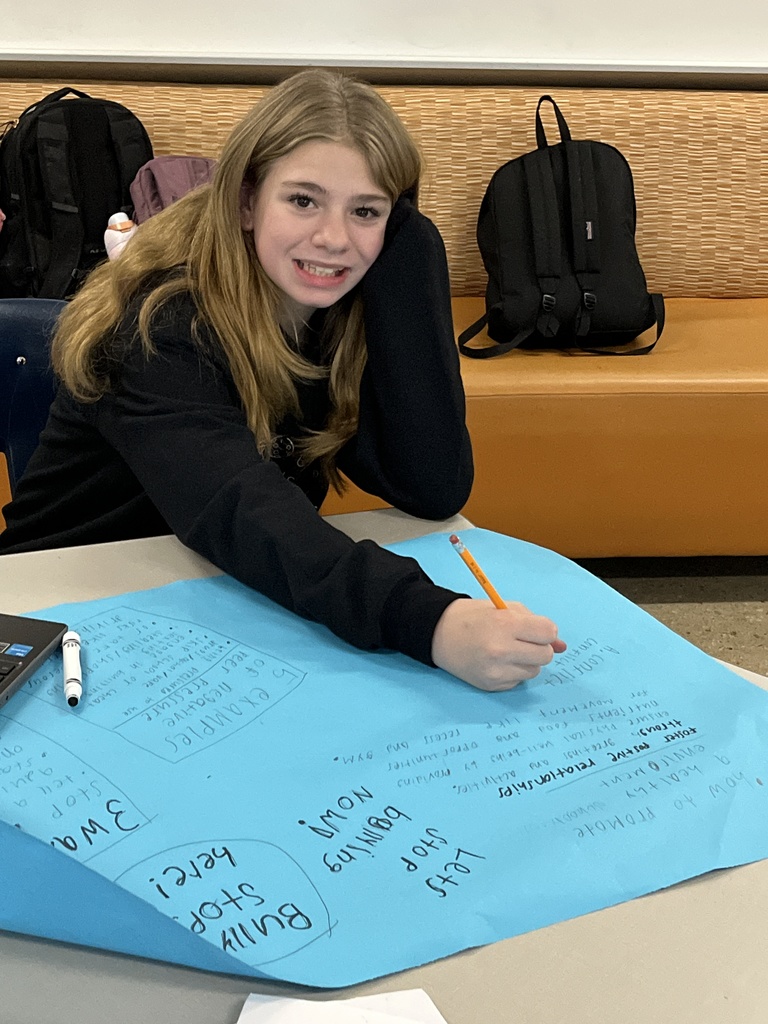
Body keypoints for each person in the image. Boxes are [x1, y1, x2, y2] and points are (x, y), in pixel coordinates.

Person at [0, 69, 565, 690]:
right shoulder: (161, 324)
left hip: (219, 590)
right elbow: (240, 509)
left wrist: (411, 249)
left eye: (367, 210)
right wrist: (429, 621)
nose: (333, 238)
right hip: (66, 606)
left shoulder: (332, 312)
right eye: (302, 200)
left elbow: (431, 483)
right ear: (247, 201)